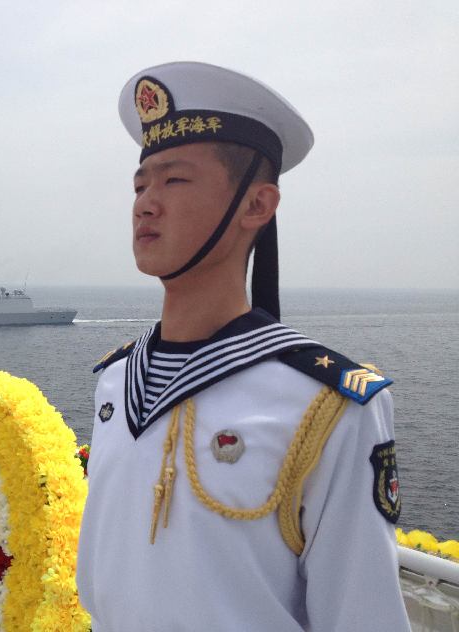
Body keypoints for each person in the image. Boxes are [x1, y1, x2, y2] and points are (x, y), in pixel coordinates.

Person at [76, 62, 410, 631]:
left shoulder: (326, 408)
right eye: (140, 185)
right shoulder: (116, 381)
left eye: (174, 181)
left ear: (256, 205)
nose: (145, 203)